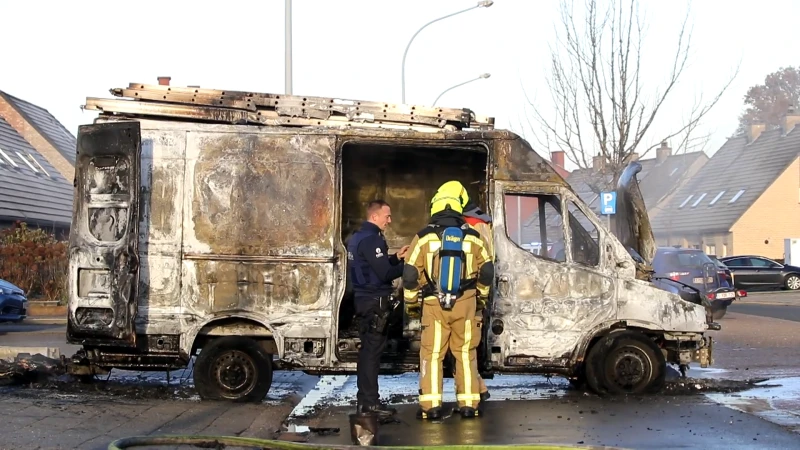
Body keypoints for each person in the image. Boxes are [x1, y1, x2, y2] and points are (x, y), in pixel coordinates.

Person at [402, 181, 494, 420]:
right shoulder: (473, 238)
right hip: (466, 304)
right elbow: (487, 271)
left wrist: (412, 305)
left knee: (432, 355)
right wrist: (480, 299)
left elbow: (411, 274)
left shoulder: (423, 237)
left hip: (434, 306)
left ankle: (431, 407)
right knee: (465, 353)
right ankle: (469, 405)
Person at [347, 200, 409, 417]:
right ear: (375, 216)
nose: (389, 220)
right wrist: (407, 266)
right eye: (387, 216)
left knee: (367, 354)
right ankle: (370, 403)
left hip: (363, 301)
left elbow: (372, 267)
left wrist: (394, 258)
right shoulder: (373, 239)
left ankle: (365, 401)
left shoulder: (357, 238)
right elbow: (384, 274)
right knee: (372, 355)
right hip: (375, 302)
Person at [459, 199, 494, 402]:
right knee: (468, 345)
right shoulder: (484, 223)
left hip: (467, 292)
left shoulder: (469, 225)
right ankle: (478, 387)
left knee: (462, 347)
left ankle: (475, 390)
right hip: (478, 292)